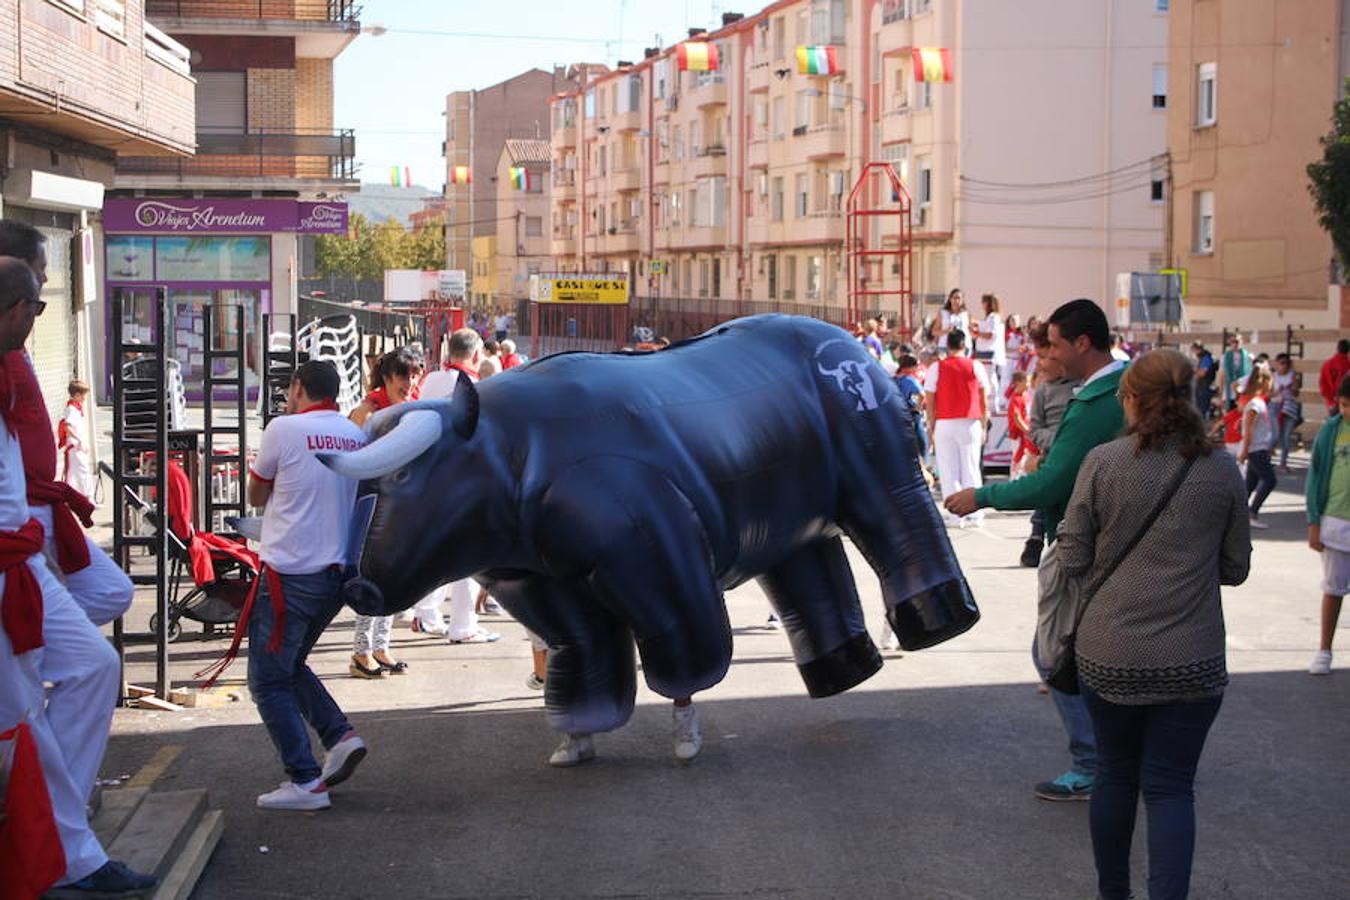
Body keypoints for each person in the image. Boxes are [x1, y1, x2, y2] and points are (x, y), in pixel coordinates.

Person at [1059, 347, 1250, 900]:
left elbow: (1071, 560)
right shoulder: (1221, 469)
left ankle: (1112, 893)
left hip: (1109, 653)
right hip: (1191, 660)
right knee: (1170, 789)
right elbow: (1235, 569)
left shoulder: (1103, 463)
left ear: (1133, 401)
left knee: (1116, 775)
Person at [0, 258, 156, 896]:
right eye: (36, 306)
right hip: (10, 561)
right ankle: (64, 851)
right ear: (13, 307)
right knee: (22, 726)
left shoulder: (13, 366)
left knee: (92, 666)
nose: (39, 319)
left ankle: (58, 834)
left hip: (21, 557)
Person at [945, 298, 1125, 801]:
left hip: (1088, 546)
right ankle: (1117, 759)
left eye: (1056, 344)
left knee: (1053, 655)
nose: (1048, 353)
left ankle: (1094, 764)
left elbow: (1052, 482)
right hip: (1117, 545)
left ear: (1082, 344)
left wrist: (981, 495)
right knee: (1092, 658)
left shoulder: (1097, 401)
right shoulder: (1118, 390)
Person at [242, 360, 369, 811]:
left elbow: (256, 496)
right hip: (333, 578)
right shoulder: (355, 436)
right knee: (289, 665)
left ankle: (305, 780)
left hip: (289, 576)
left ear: (298, 388)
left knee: (266, 679)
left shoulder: (284, 429)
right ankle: (339, 736)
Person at [0, 220, 133, 628]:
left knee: (108, 593)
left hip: (36, 501)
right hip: (22, 509)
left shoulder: (15, 344)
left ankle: (38, 634)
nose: (45, 277)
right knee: (105, 597)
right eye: (40, 268)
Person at [414, 328, 501, 644]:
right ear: (477, 355)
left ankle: (426, 614)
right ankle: (464, 625)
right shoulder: (477, 388)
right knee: (470, 555)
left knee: (436, 550)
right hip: (463, 481)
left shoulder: (432, 380)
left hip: (428, 477)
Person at [347, 348, 421, 678]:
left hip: (403, 506)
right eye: (403, 375)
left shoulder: (415, 410)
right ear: (388, 377)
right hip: (372, 506)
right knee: (373, 578)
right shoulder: (367, 411)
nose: (410, 382)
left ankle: (381, 647)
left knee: (393, 580)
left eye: (415, 374)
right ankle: (361, 653)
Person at [1019, 326, 1082, 568]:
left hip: (1073, 458)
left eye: (1047, 357)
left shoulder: (1083, 386)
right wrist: (1058, 442)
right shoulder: (1043, 390)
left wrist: (1068, 442)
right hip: (1052, 454)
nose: (1041, 365)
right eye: (1039, 358)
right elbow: (1034, 429)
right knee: (1046, 493)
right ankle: (1038, 534)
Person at [1305, 374, 1350, 675]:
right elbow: (1316, 475)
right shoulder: (1331, 431)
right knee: (1334, 589)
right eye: (1345, 405)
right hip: (1336, 520)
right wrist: (1314, 521)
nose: (1347, 411)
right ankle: (1324, 649)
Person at [923, 329, 990, 527]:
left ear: (948, 345)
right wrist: (984, 423)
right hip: (970, 421)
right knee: (971, 467)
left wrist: (931, 426)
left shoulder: (937, 367)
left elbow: (930, 399)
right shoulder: (975, 366)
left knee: (948, 469)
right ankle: (975, 513)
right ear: (965, 345)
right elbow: (984, 397)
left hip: (945, 422)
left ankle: (955, 515)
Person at [1238, 366, 1277, 529]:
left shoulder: (1259, 402)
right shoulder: (1255, 403)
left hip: (1259, 448)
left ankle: (1238, 514)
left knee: (1250, 484)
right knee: (1270, 480)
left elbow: (1260, 429)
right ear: (1265, 382)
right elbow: (1249, 429)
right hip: (1255, 450)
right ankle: (1252, 512)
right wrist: (1245, 451)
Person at [58, 379, 93, 501]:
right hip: (75, 446)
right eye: (83, 395)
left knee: (75, 473)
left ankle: (74, 498)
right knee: (81, 472)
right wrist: (79, 440)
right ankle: (86, 498)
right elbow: (67, 427)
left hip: (77, 446)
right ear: (77, 395)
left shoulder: (75, 409)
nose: (84, 398)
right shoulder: (71, 410)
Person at [1271, 353, 1303, 472]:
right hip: (1275, 406)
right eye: (1281, 363)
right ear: (1277, 364)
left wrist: (1292, 387)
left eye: (1286, 363)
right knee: (1274, 435)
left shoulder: (1292, 375)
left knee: (1286, 436)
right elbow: (1269, 393)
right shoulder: (1273, 376)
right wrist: (1277, 391)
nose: (1284, 366)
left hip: (1289, 407)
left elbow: (1296, 393)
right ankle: (1267, 460)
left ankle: (1283, 463)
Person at [1006, 371, 1037, 479]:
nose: (1028, 384)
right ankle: (1014, 480)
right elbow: (1017, 418)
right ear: (1018, 382)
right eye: (1026, 382)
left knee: (1024, 457)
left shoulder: (1026, 395)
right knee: (1018, 458)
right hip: (1019, 435)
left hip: (1025, 434)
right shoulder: (1015, 398)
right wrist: (1027, 431)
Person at [1218, 333, 1252, 410]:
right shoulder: (1225, 357)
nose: (1235, 343)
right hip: (1229, 393)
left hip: (1243, 391)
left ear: (1241, 342)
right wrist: (1220, 395)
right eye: (1232, 341)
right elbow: (1222, 375)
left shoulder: (1248, 356)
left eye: (1237, 341)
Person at [973, 293, 1006, 368]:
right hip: (984, 353)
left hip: (989, 354)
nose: (982, 305)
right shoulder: (989, 318)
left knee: (990, 378)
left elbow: (990, 335)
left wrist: (976, 333)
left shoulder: (993, 317)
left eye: (984, 302)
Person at [1319, 339, 1350, 416]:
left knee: (1334, 424)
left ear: (1337, 349)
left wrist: (1330, 402)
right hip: (1346, 404)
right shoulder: (1348, 365)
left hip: (1332, 403)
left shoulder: (1327, 364)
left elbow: (1323, 385)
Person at [1192, 341, 1217, 419]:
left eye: (1195, 349)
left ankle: (1203, 427)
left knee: (1203, 410)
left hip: (1205, 387)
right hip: (1201, 386)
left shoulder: (1206, 358)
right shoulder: (1202, 357)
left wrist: (1192, 375)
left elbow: (1202, 373)